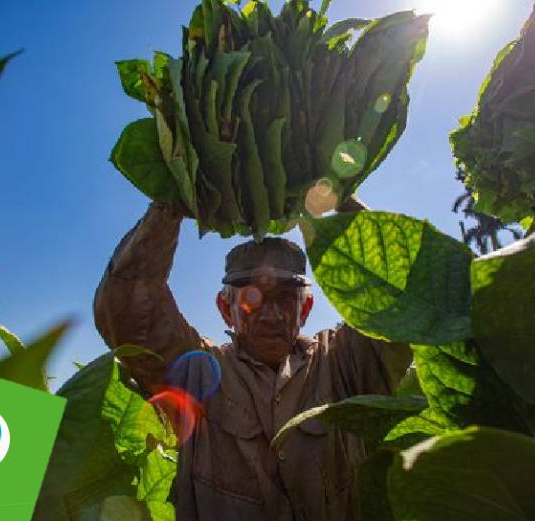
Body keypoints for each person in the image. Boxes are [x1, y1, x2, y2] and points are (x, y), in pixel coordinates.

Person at [93, 199, 412, 521]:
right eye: (251, 298)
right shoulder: (199, 370)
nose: (271, 315)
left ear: (305, 310)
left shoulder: (342, 363)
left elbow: (405, 303)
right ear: (224, 308)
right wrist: (170, 207)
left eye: (286, 299)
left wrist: (341, 197)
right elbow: (128, 309)